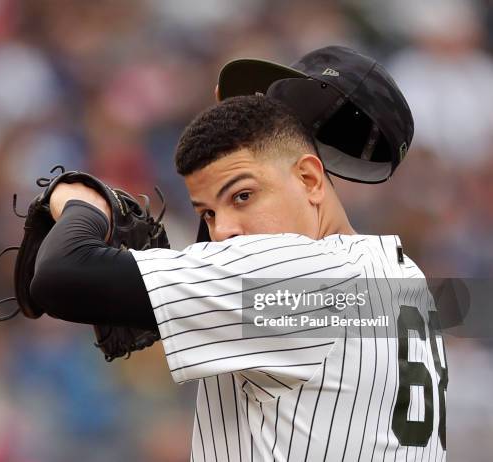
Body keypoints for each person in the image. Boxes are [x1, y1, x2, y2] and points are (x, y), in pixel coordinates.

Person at [28, 47, 448, 461]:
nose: (222, 228)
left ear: (309, 178)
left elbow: (63, 274)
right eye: (208, 213)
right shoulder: (399, 274)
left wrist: (83, 201)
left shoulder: (300, 277)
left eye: (244, 195)